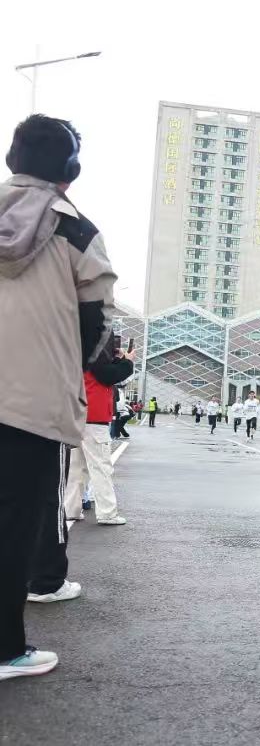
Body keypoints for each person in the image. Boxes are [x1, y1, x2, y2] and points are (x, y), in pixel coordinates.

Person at [0, 114, 117, 680]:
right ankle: (5, 649)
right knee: (16, 523)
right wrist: (80, 364)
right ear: (71, 169)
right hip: (31, 404)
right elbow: (97, 326)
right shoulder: (76, 231)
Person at [64, 339, 134, 528]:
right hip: (94, 416)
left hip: (77, 415)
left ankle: (71, 509)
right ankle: (107, 512)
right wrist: (127, 362)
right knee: (101, 467)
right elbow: (107, 375)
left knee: (76, 468)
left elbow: (102, 370)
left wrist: (117, 360)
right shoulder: (95, 348)